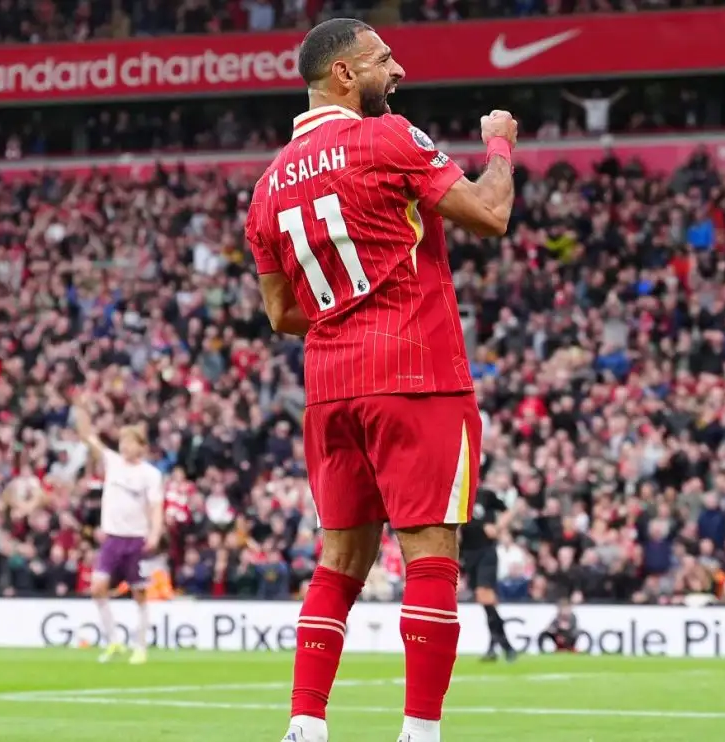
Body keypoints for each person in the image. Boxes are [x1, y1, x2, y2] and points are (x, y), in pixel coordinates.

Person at [244, 17, 517, 742]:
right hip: (415, 373)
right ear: (343, 73)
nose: (396, 72)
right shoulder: (388, 139)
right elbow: (490, 214)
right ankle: (420, 732)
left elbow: (281, 313)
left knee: (338, 563)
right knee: (431, 553)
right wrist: (500, 144)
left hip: (331, 387)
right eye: (383, 59)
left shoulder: (268, 185)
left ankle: (305, 724)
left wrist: (346, 300)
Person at [72, 399, 165, 666]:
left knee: (139, 594)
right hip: (112, 538)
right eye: (122, 441)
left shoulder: (150, 474)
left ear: (141, 446)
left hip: (136, 539)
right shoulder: (112, 461)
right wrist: (80, 412)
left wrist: (155, 532)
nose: (124, 446)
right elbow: (88, 437)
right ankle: (113, 639)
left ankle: (141, 646)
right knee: (97, 588)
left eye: (129, 442)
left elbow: (156, 506)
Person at [460, 485, 516, 662]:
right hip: (468, 554)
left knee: (485, 596)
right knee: (486, 602)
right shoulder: (455, 496)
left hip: (486, 552)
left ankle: (506, 646)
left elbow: (508, 511)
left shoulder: (485, 494)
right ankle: (496, 646)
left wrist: (498, 527)